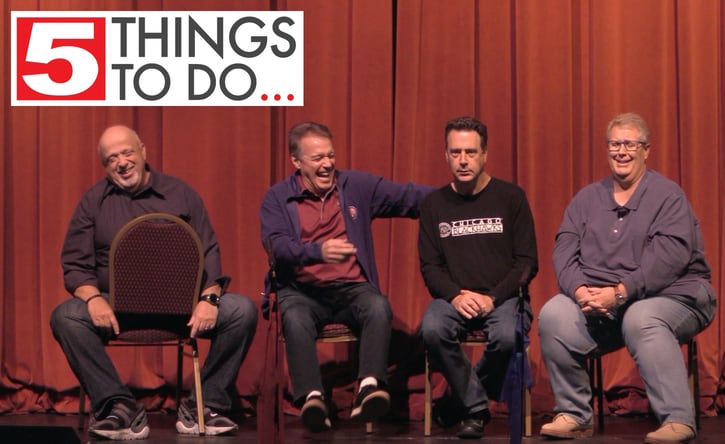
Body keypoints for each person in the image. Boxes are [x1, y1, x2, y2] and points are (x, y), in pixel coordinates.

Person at [50, 125, 259, 441]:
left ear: (143, 151)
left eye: (127, 152)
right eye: (111, 159)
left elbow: (209, 251)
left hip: (181, 307)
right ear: (105, 166)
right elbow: (75, 266)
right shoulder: (93, 201)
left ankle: (205, 405)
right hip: (118, 308)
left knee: (242, 310)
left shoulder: (181, 193)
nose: (121, 162)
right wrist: (93, 299)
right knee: (65, 317)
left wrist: (210, 298)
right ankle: (117, 406)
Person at [537, 112, 716, 444]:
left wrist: (619, 292)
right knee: (553, 314)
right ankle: (574, 413)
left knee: (640, 316)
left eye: (630, 144)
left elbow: (669, 259)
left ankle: (678, 419)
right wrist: (579, 291)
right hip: (603, 302)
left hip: (678, 296)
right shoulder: (587, 198)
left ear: (646, 150)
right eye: (615, 144)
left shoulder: (667, 196)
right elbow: (563, 249)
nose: (622, 151)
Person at [259, 121, 432, 433]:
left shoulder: (355, 186)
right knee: (294, 316)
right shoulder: (277, 198)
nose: (327, 164)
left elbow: (407, 197)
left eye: (330, 156)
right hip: (302, 290)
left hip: (352, 287)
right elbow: (277, 246)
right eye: (317, 158)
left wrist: (457, 197)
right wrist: (317, 251)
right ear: (296, 162)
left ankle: (368, 387)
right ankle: (312, 398)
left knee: (378, 306)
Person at [418, 116, 539, 439]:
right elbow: (430, 267)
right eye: (455, 152)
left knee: (507, 337)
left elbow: (527, 262)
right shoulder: (433, 204)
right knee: (431, 328)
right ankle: (475, 407)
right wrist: (456, 295)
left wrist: (493, 297)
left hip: (503, 298)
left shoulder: (511, 198)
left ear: (484, 154)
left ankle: (459, 404)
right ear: (445, 155)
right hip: (453, 298)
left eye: (470, 152)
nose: (463, 160)